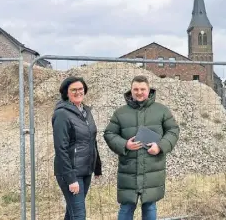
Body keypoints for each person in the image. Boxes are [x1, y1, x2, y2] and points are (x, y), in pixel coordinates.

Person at [104, 75, 180, 220]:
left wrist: (160, 146)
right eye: (136, 89)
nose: (139, 92)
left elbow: (173, 131)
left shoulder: (161, 110)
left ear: (149, 90)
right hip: (129, 169)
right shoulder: (120, 113)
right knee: (126, 207)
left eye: (142, 89)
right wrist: (125, 144)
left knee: (150, 205)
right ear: (131, 91)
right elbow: (109, 133)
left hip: (152, 168)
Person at [52, 76, 102, 220]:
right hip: (71, 172)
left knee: (72, 213)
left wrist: (97, 167)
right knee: (79, 215)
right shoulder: (62, 114)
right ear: (66, 93)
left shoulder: (86, 112)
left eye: (80, 89)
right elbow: (60, 148)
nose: (78, 92)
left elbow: (92, 139)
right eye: (73, 90)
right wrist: (70, 178)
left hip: (86, 170)